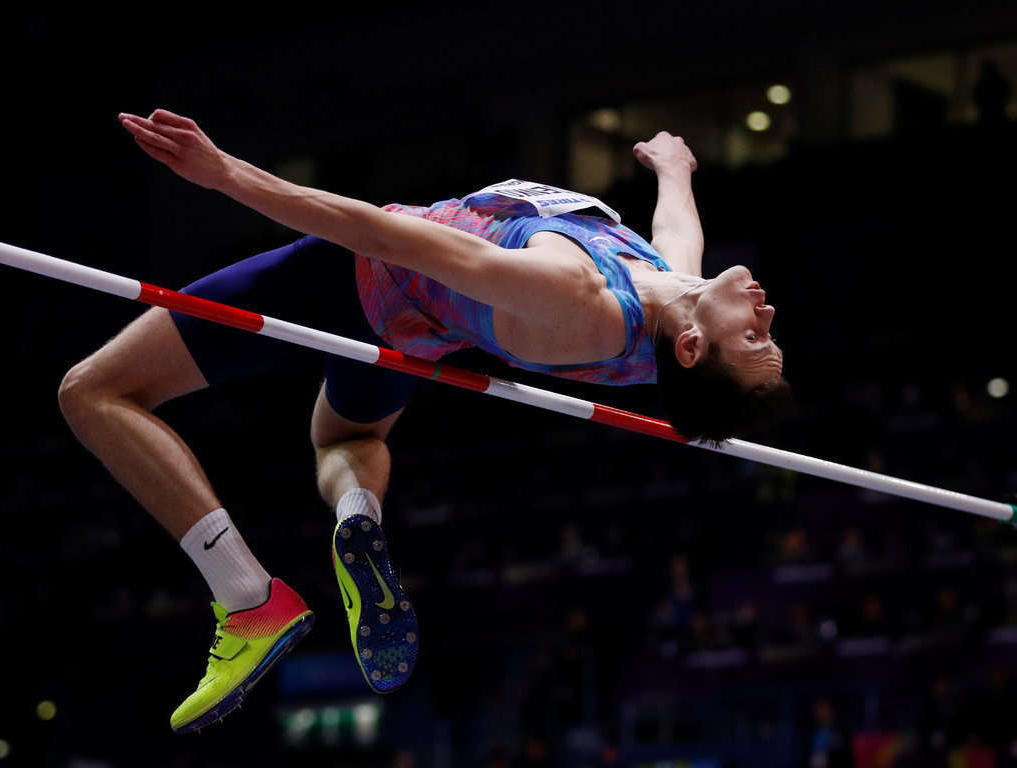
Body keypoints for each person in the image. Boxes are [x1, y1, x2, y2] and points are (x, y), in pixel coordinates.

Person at [57, 109, 791, 733]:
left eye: (755, 336)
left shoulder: (575, 296)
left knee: (92, 391)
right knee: (346, 440)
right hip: (411, 330)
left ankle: (248, 599)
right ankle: (356, 511)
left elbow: (385, 237)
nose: (767, 312)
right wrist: (674, 172)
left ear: (695, 348)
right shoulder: (673, 307)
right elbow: (677, 245)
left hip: (356, 277)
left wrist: (228, 176)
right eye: (769, 334)